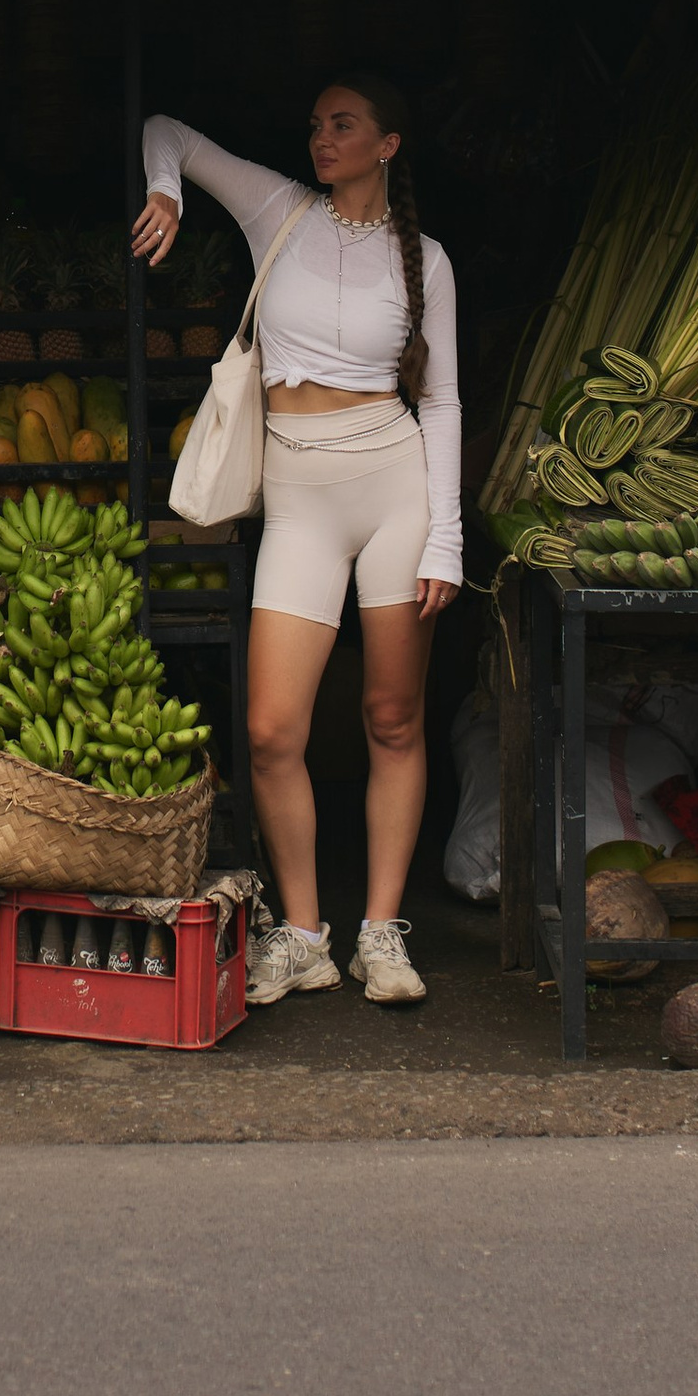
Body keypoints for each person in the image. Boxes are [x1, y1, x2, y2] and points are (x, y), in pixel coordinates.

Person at [131, 75, 460, 1010]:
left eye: (344, 124)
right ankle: (304, 936)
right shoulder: (277, 206)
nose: (322, 138)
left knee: (393, 720)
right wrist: (167, 190)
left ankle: (383, 936)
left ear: (387, 145)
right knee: (274, 729)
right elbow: (168, 125)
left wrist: (448, 543)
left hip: (396, 490)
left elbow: (440, 399)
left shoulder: (426, 260)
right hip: (300, 498)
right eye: (315, 123)